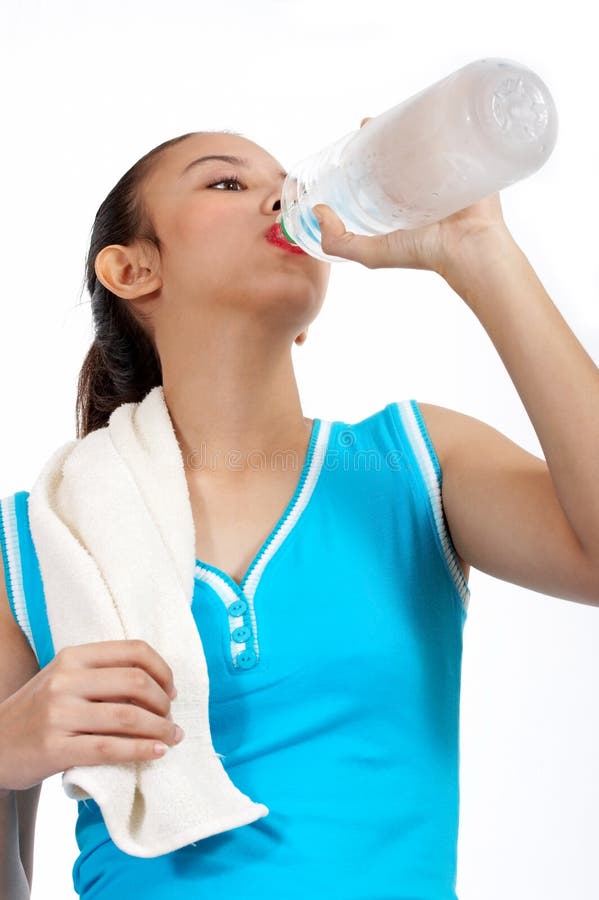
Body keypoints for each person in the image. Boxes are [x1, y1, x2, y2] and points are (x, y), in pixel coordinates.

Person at [1, 122, 598, 899]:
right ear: (131, 268)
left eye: (287, 183)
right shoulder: (43, 540)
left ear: (309, 314)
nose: (283, 198)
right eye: (227, 183)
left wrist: (479, 248)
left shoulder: (416, 463)